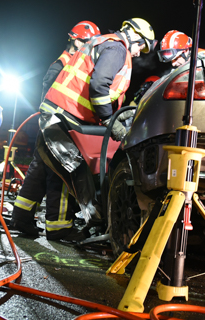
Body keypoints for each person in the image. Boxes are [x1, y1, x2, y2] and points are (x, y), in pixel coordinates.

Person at [37, 18, 154, 241]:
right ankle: (97, 223)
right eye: (141, 46)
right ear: (134, 37)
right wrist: (111, 121)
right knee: (77, 170)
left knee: (74, 173)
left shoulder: (105, 43)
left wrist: (119, 112)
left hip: (63, 115)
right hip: (61, 117)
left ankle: (90, 223)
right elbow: (99, 85)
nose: (139, 53)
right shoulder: (117, 48)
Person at [0, 21, 101, 234]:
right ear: (75, 40)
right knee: (61, 174)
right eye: (87, 43)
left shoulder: (71, 63)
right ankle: (59, 227)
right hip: (56, 128)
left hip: (50, 128)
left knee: (37, 175)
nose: (90, 48)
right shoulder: (63, 65)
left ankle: (21, 219)